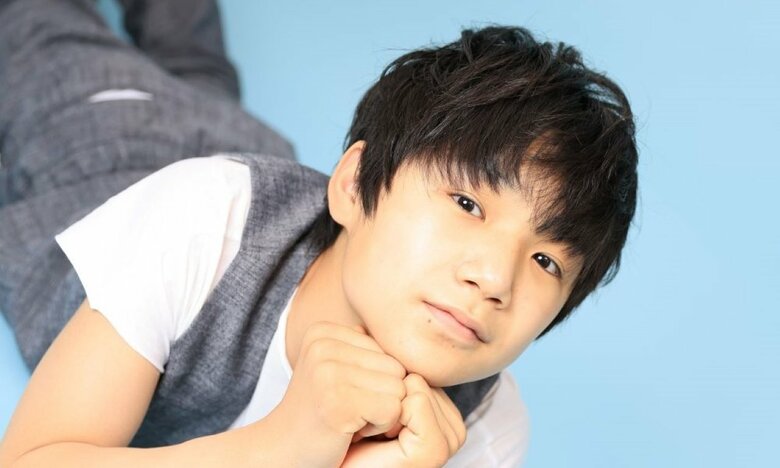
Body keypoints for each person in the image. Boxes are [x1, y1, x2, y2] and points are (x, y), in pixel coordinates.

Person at [0, 0, 638, 466]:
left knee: (195, 65)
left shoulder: (488, 431)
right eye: (468, 202)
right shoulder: (203, 223)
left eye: (547, 261)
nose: (495, 278)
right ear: (354, 185)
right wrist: (278, 451)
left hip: (239, 142)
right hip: (101, 141)